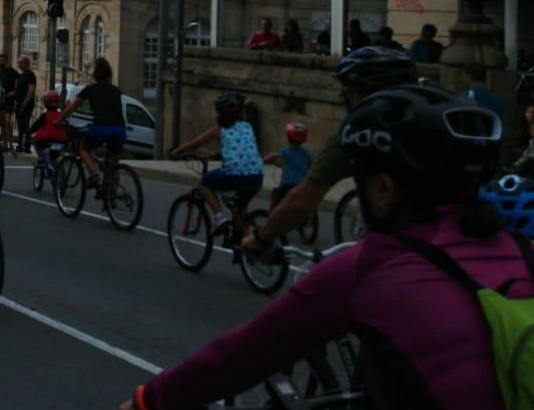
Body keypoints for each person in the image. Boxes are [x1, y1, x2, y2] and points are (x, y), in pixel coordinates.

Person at [121, 85, 534, 410]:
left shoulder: (374, 264)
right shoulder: (526, 254)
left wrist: (148, 401)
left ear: (383, 189)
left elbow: (242, 355)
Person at [241, 47, 417, 259]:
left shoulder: (359, 133)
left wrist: (262, 238)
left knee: (319, 279)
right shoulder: (431, 123)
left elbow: (300, 203)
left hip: (398, 254)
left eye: (347, 91)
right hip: (446, 247)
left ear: (360, 93)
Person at [170, 92, 264, 226]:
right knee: (240, 206)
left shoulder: (220, 129)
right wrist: (220, 154)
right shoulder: (247, 126)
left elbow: (195, 143)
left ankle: (219, 217)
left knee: (205, 183)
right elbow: (241, 147)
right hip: (257, 175)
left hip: (235, 174)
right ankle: (244, 233)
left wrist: (177, 151)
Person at [59, 58, 127, 185]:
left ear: (95, 75)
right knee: (113, 162)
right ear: (109, 75)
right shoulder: (116, 90)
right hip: (119, 129)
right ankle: (113, 192)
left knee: (83, 148)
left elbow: (72, 108)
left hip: (101, 128)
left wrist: (59, 120)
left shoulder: (90, 89)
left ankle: (93, 173)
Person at [264, 123, 312, 208]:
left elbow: (273, 158)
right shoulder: (306, 153)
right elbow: (309, 164)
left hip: (287, 185)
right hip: (302, 185)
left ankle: (274, 214)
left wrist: (262, 161)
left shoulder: (285, 151)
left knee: (276, 203)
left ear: (288, 137)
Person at [13, 55, 38, 151]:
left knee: (24, 125)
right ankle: (21, 144)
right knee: (20, 125)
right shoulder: (21, 75)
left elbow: (31, 90)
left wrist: (24, 103)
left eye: (21, 63)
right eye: (18, 62)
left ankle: (25, 145)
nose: (19, 64)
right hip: (19, 103)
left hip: (25, 105)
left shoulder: (30, 75)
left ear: (27, 63)